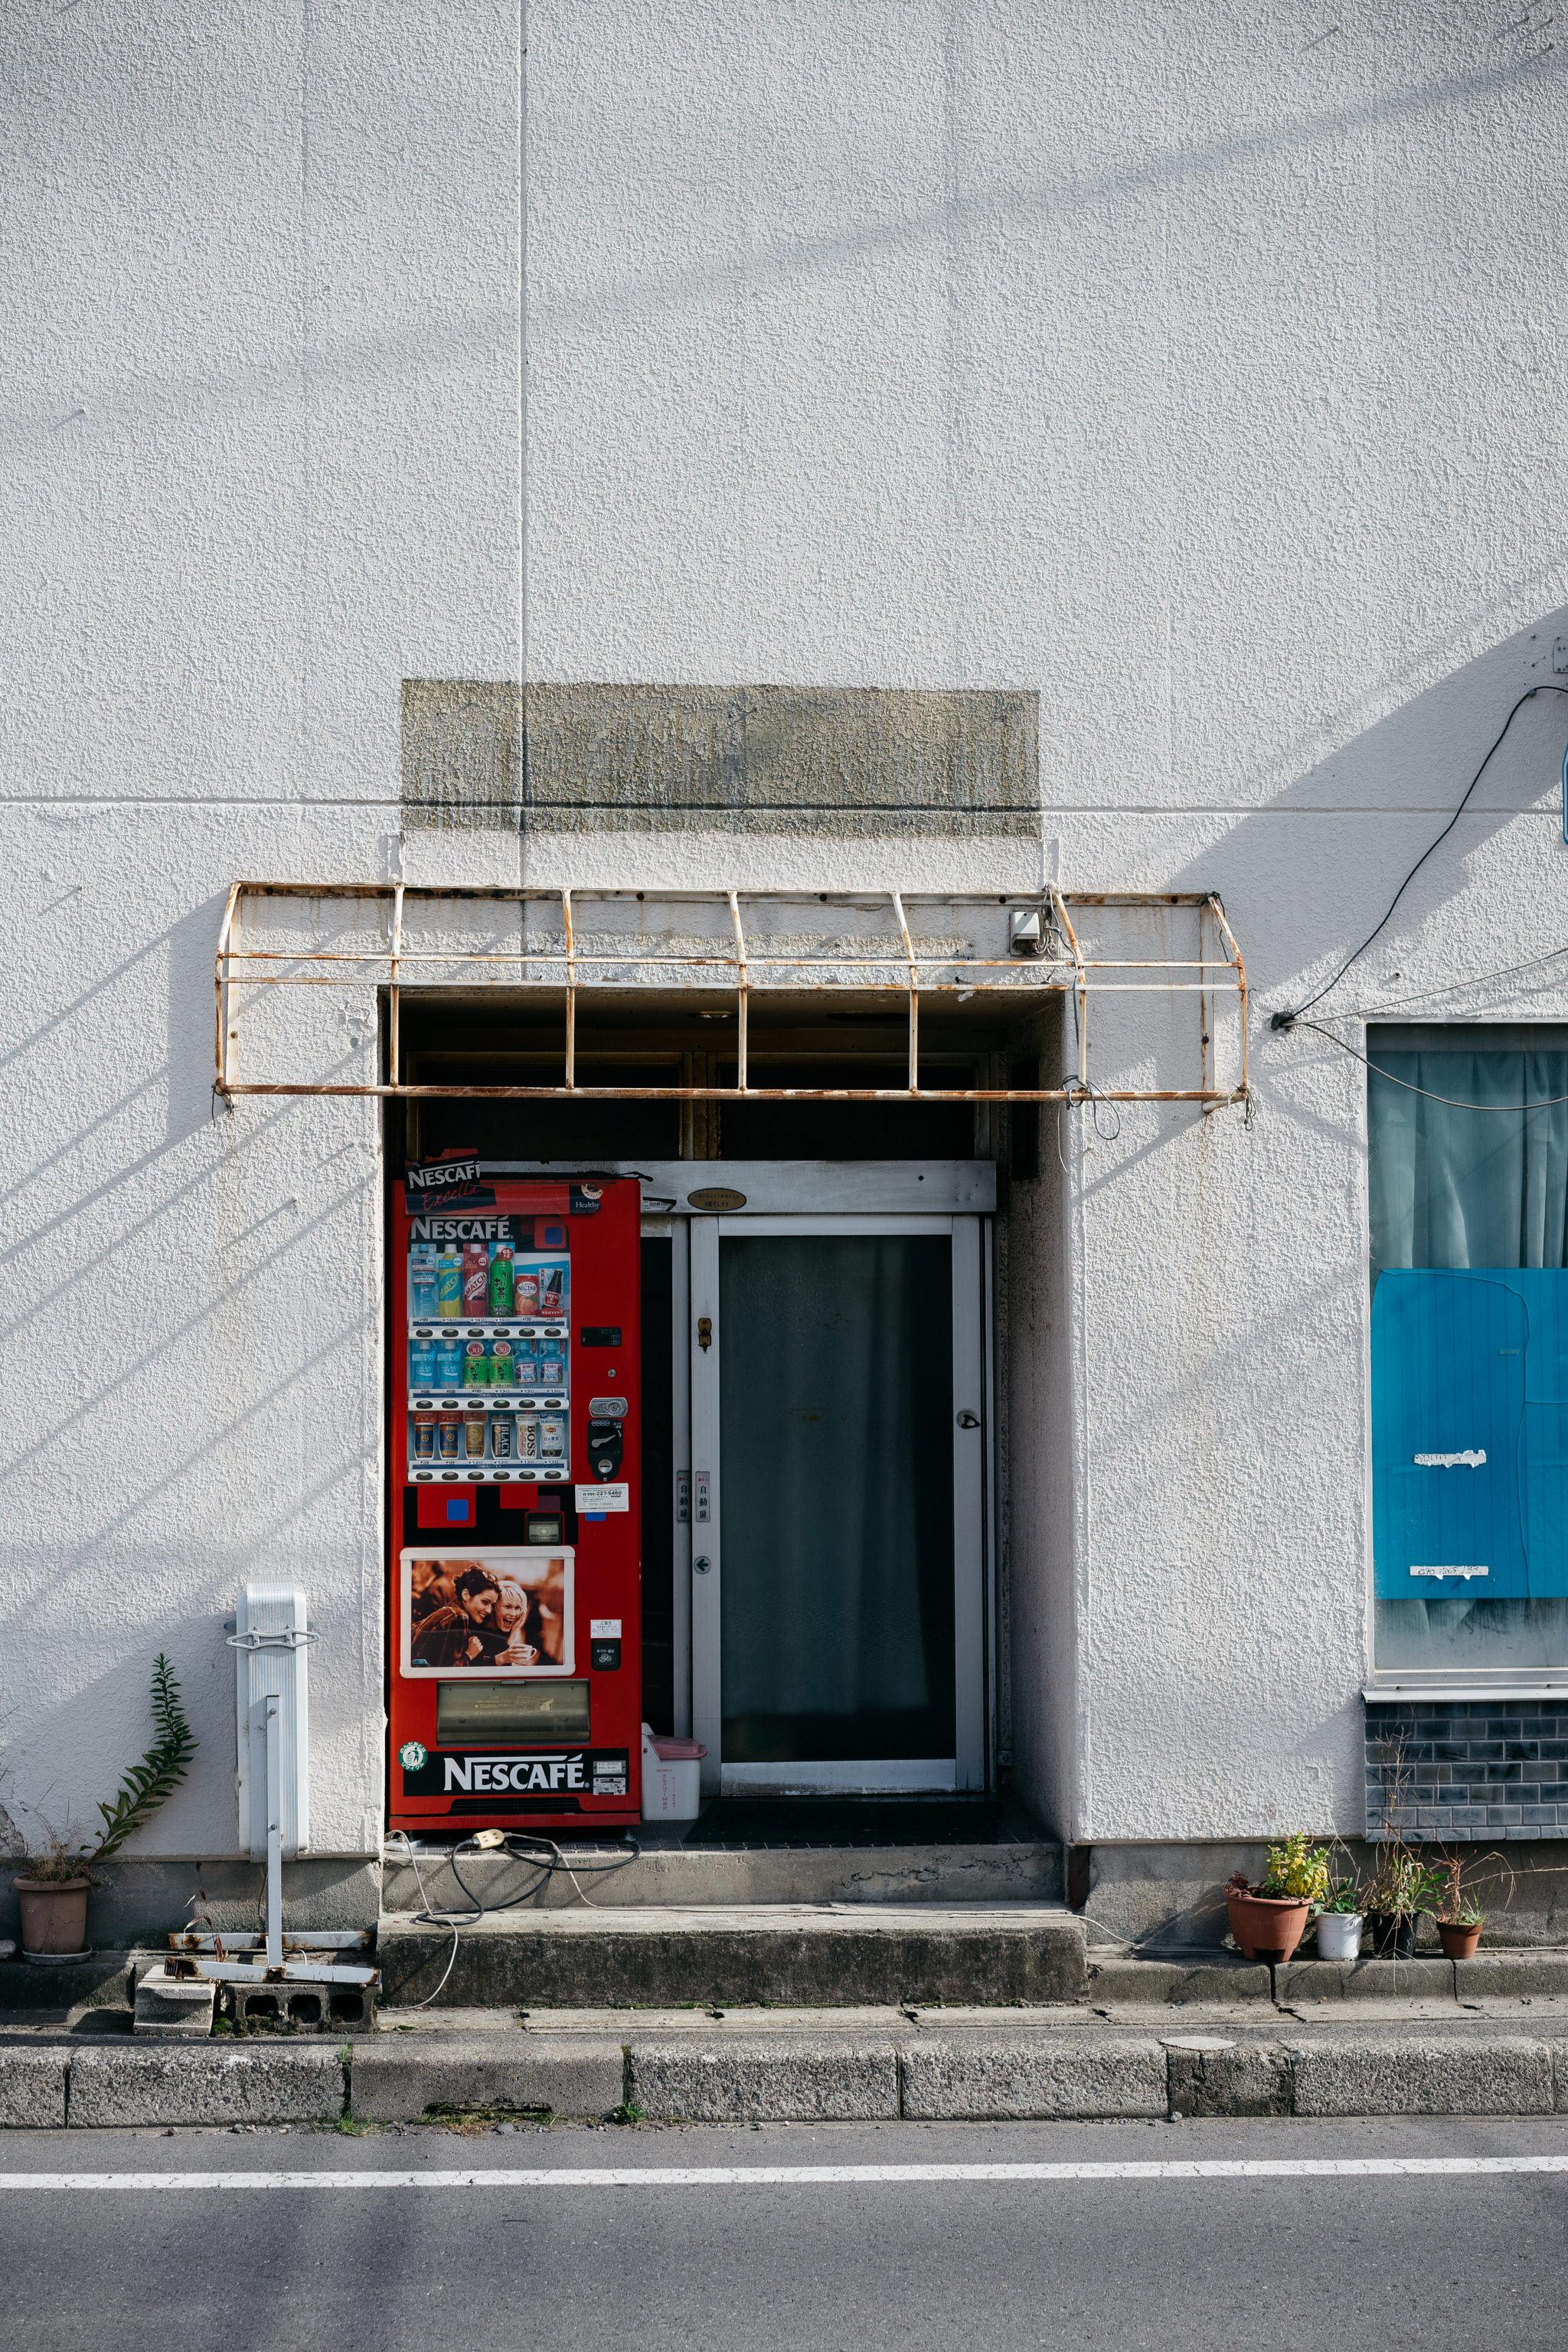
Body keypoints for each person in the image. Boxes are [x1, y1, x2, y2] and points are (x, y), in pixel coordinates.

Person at [409, 1566, 508, 1667]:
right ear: (466, 1595)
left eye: (492, 1605)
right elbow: (447, 1671)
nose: (489, 1610)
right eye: (485, 1602)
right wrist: (469, 1655)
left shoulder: (451, 1612)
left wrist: (500, 1658)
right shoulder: (458, 1617)